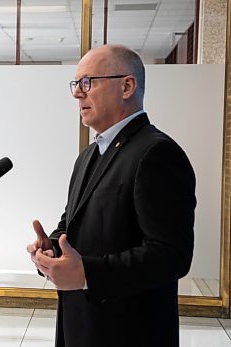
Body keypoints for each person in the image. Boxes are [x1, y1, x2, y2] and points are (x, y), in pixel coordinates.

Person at [26, 44, 196, 347]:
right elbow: (72, 222)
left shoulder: (156, 153)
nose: (78, 93)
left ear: (127, 86)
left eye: (87, 82)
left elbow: (172, 256)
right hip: (79, 325)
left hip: (128, 332)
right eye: (75, 84)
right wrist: (52, 248)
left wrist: (87, 274)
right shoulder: (89, 154)